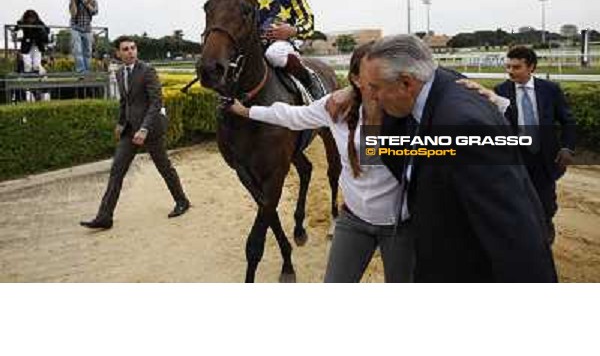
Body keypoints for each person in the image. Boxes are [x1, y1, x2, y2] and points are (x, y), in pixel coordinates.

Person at [357, 34, 557, 282]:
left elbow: (513, 231)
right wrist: (349, 93)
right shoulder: (433, 84)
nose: (372, 97)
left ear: (407, 84)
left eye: (375, 88)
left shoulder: (462, 125)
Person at [228, 43, 415, 282]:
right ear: (356, 80)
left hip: (399, 228)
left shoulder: (411, 111)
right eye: (374, 81)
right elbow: (293, 116)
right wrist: (246, 112)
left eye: (389, 79)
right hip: (353, 221)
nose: (383, 88)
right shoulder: (334, 107)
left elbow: (455, 140)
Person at [80, 36, 190, 230]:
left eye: (133, 48)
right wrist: (121, 123)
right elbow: (125, 102)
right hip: (130, 131)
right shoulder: (120, 73)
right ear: (118, 53)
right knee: (116, 171)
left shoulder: (147, 71)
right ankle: (105, 216)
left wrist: (144, 128)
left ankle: (182, 201)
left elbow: (156, 102)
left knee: (164, 167)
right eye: (125, 49)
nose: (130, 51)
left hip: (151, 129)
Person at [495, 46, 576, 244]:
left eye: (516, 67)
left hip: (545, 157)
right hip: (516, 157)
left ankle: (545, 231)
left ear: (531, 67)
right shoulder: (500, 91)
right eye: (508, 67)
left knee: (546, 202)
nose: (511, 72)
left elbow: (568, 121)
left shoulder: (550, 90)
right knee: (516, 200)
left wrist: (566, 148)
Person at [249, 0, 321, 98]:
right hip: (254, 46)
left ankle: (309, 81)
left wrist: (292, 31)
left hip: (281, 45)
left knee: (273, 54)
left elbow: (309, 21)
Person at [69, 0, 98, 74]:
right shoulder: (75, 0)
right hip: (75, 27)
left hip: (87, 29)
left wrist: (86, 2)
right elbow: (73, 14)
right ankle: (81, 71)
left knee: (88, 52)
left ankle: (87, 71)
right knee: (77, 50)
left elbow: (94, 12)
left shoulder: (93, 1)